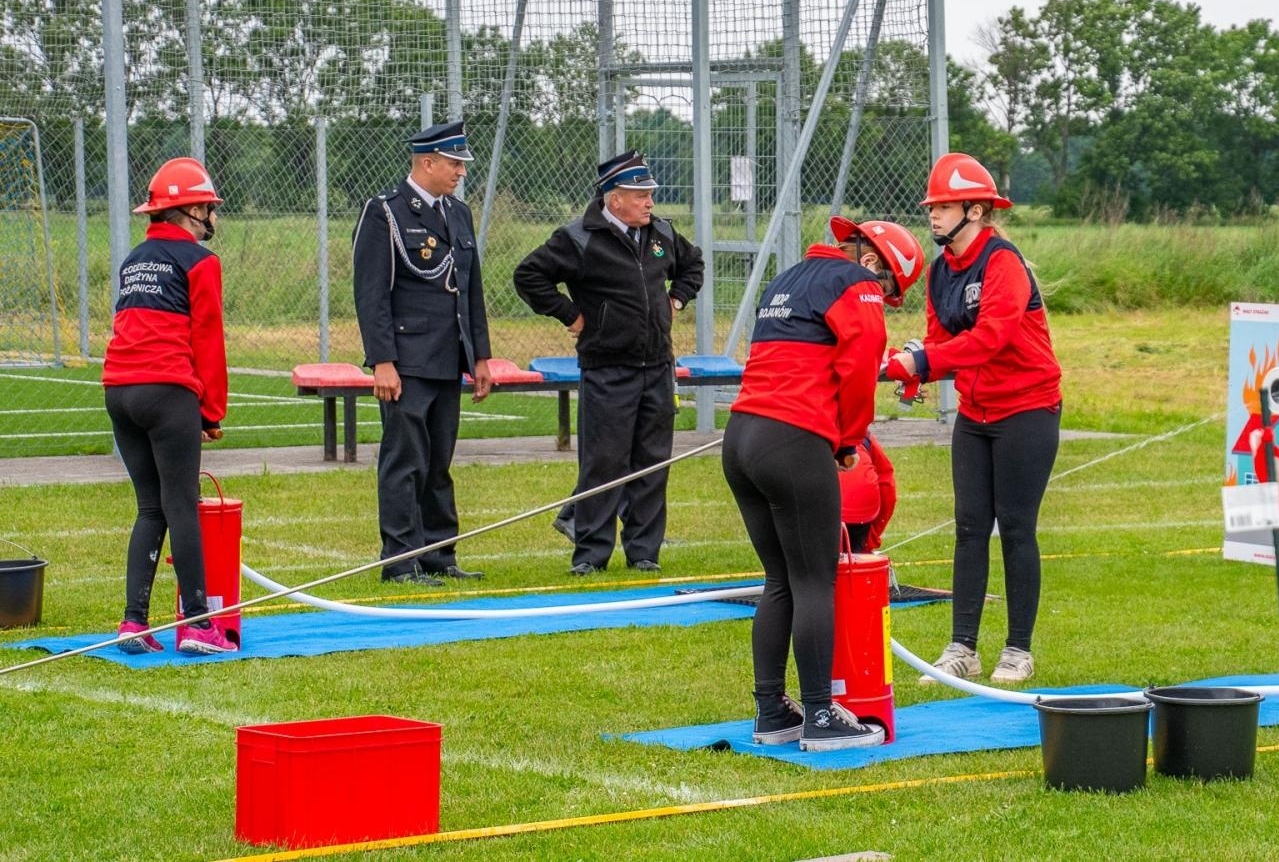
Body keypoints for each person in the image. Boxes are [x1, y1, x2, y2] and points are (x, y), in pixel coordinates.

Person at [724, 215, 923, 752]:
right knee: (815, 581)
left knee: (779, 581)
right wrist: (847, 440)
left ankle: (772, 712)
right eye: (889, 288)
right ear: (875, 263)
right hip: (793, 439)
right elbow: (859, 371)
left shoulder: (790, 276)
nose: (884, 297)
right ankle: (819, 715)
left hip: (741, 436)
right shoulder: (857, 285)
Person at [887, 153, 1062, 686]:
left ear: (977, 210)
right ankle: (962, 648)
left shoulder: (1003, 263)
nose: (933, 216)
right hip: (977, 413)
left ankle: (1018, 651)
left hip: (1027, 409)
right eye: (933, 206)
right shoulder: (942, 270)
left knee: (1014, 528)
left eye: (943, 206)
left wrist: (925, 361)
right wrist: (915, 369)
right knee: (968, 529)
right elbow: (940, 341)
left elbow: (992, 339)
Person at [513, 152, 704, 575]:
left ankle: (644, 552)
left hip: (657, 365)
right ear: (614, 198)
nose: (649, 202)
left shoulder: (662, 234)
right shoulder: (579, 238)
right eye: (641, 195)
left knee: (652, 461)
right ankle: (591, 554)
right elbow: (529, 275)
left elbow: (693, 265)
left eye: (650, 194)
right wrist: (570, 314)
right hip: (606, 367)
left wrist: (677, 298)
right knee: (603, 461)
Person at [352, 120, 493, 586]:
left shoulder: (458, 213)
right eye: (454, 164)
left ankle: (438, 554)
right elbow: (371, 294)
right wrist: (383, 361)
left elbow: (470, 290)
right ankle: (400, 561)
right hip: (407, 360)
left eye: (462, 164)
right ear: (426, 162)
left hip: (447, 358)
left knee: (438, 463)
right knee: (405, 461)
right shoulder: (386, 212)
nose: (460, 172)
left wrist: (480, 356)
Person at [105, 157, 236, 655]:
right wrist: (211, 412)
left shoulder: (135, 259)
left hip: (119, 391)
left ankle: (133, 623)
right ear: (194, 210)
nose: (214, 217)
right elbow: (207, 339)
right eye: (210, 208)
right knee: (181, 504)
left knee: (150, 507)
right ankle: (201, 625)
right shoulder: (201, 262)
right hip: (167, 390)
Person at [842, 430, 896, 555]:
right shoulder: (865, 436)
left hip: (830, 504)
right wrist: (872, 537)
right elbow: (888, 487)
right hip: (863, 505)